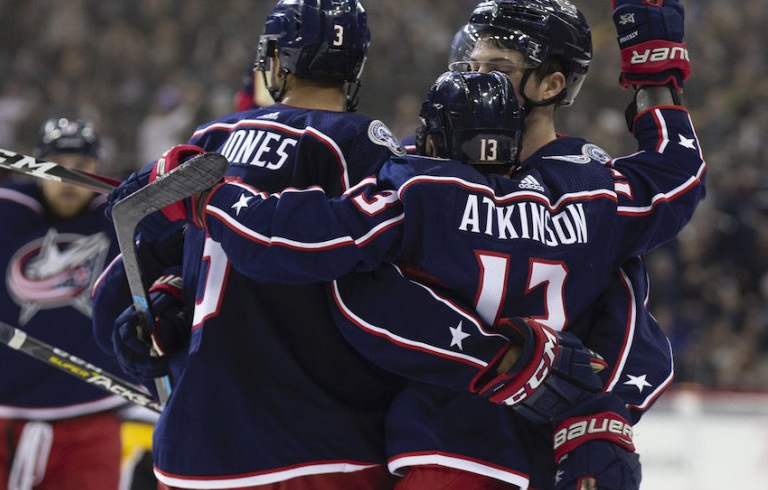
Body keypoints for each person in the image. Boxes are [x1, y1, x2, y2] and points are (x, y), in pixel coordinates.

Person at [122, 0, 701, 487]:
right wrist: (655, 74)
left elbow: (333, 270)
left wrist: (209, 197)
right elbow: (679, 173)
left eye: (496, 65)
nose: (475, 76)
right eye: (470, 61)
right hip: (479, 448)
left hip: (448, 442)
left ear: (552, 83)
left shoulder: (419, 177)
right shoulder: (597, 190)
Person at [91, 1, 409, 488]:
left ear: (276, 60)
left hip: (192, 450)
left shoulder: (210, 139)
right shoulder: (357, 143)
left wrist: (165, 303)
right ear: (355, 65)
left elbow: (119, 286)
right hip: (318, 444)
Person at [0, 118, 125, 489]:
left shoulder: (121, 218)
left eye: (82, 166)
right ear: (34, 165)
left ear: (99, 168)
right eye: (55, 163)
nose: (68, 177)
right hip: (0, 423)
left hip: (91, 422)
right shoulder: (0, 210)